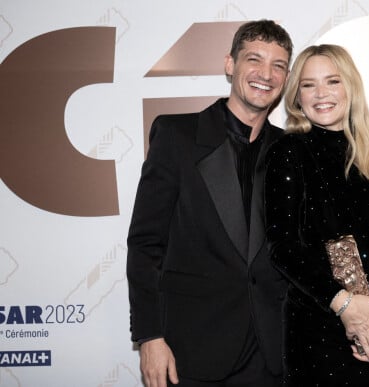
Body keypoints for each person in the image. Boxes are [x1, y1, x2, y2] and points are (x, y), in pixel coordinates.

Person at [126, 20, 293, 387]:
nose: (266, 74)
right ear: (230, 64)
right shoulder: (177, 136)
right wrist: (150, 337)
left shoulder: (291, 151)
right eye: (254, 60)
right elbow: (145, 244)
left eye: (278, 65)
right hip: (192, 350)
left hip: (271, 354)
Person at [264, 44, 369, 386]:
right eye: (308, 85)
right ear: (296, 96)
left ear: (350, 87)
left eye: (332, 81)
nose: (321, 94)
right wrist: (345, 306)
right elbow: (282, 247)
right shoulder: (287, 151)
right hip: (320, 333)